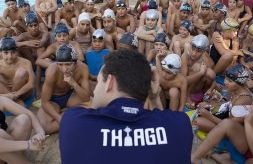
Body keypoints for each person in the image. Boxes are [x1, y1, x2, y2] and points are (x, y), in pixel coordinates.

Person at [60, 49, 193, 164]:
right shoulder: (180, 125)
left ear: (110, 82)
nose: (94, 91)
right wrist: (153, 97)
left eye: (99, 82)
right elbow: (163, 122)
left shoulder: (73, 122)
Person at [192, 83, 253, 164]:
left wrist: (248, 123)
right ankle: (195, 157)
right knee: (227, 124)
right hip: (248, 146)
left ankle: (223, 159)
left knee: (251, 162)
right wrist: (211, 110)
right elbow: (229, 123)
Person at [37, 44, 90, 134]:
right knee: (44, 128)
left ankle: (71, 117)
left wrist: (74, 83)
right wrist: (60, 119)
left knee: (94, 106)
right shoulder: (52, 71)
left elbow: (86, 98)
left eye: (68, 64)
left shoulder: (83, 68)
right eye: (60, 64)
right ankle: (72, 117)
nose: (64, 69)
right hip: (53, 100)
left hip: (70, 96)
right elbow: (45, 102)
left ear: (75, 62)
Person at [0, 96, 46, 164]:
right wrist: (28, 144)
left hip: (6, 148)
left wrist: (40, 133)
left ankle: (14, 160)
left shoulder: (1, 100)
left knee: (24, 119)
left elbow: (29, 113)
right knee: (1, 133)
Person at [181, 35, 215, 106]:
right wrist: (201, 73)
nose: (194, 53)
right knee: (197, 67)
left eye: (198, 51)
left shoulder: (205, 59)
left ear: (203, 51)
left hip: (197, 85)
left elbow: (214, 78)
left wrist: (210, 89)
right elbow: (183, 80)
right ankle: (186, 96)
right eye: (192, 49)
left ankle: (204, 92)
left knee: (211, 73)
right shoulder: (185, 56)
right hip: (185, 86)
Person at [0, 37, 35, 106]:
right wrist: (9, 95)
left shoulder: (26, 62)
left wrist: (15, 95)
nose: (10, 56)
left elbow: (31, 84)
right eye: (6, 53)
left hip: (22, 93)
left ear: (17, 51)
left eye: (13, 52)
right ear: (0, 53)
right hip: (7, 93)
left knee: (21, 73)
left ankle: (15, 101)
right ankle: (17, 101)